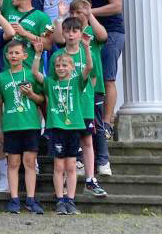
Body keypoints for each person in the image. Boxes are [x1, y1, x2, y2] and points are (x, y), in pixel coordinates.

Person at [31, 36, 93, 216]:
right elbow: (35, 73)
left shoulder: (76, 82)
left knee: (71, 166)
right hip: (57, 128)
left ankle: (71, 200)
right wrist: (37, 54)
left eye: (65, 65)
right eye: (58, 66)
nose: (60, 68)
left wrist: (87, 48)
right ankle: (60, 200)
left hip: (73, 128)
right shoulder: (51, 83)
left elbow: (89, 67)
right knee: (59, 166)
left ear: (72, 68)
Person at [50, 16, 108, 198]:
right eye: (67, 31)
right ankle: (66, 184)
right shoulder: (57, 56)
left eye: (75, 31)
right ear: (63, 33)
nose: (71, 34)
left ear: (80, 33)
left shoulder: (87, 52)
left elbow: (93, 77)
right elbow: (52, 82)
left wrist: (86, 95)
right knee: (67, 147)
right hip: (66, 110)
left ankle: (90, 179)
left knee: (88, 141)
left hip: (85, 105)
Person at [77, 0, 123, 140]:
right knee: (92, 74)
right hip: (91, 33)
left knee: (108, 77)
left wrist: (89, 13)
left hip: (111, 32)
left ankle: (107, 123)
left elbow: (117, 6)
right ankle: (94, 120)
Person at [0, 40, 45, 214]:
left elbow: (41, 100)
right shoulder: (1, 77)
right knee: (13, 163)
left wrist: (31, 94)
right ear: (6, 56)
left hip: (30, 124)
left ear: (25, 55)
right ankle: (14, 198)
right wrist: (0, 129)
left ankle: (31, 199)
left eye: (17, 53)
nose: (14, 56)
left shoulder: (31, 74)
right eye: (11, 53)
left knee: (30, 162)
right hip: (11, 126)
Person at [68, 0, 111, 176]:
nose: (77, 15)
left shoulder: (91, 30)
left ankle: (103, 160)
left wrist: (90, 14)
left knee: (97, 125)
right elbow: (57, 38)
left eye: (80, 12)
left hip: (94, 86)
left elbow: (103, 36)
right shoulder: (71, 32)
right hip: (76, 87)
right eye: (74, 12)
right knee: (79, 124)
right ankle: (79, 160)